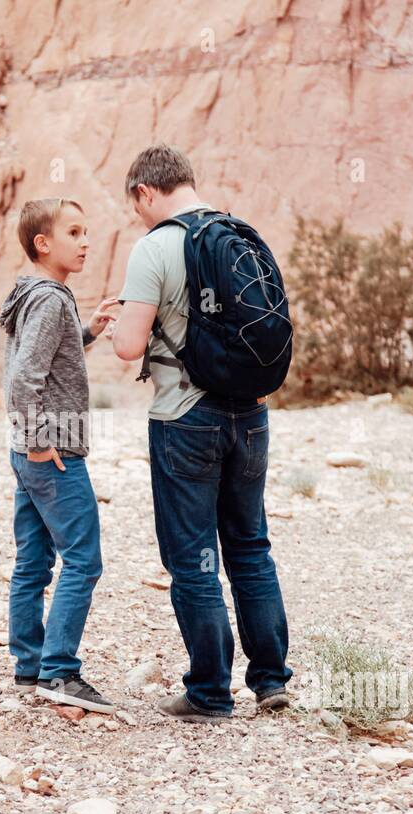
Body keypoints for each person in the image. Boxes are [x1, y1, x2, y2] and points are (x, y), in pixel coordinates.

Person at [111, 145, 293, 723]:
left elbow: (127, 347)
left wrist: (117, 318)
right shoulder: (238, 233)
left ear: (145, 192)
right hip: (251, 412)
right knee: (250, 548)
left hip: (185, 418)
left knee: (192, 559)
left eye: (135, 205)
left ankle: (210, 693)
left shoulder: (154, 247)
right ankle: (270, 683)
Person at [0, 197, 119, 714]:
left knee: (33, 561)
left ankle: (30, 666)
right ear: (43, 244)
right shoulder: (49, 299)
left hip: (28, 451)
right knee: (84, 560)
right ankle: (60, 672)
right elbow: (25, 376)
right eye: (74, 232)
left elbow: (50, 361)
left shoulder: (37, 295)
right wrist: (42, 440)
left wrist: (87, 331)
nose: (85, 241)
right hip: (53, 450)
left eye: (86, 231)